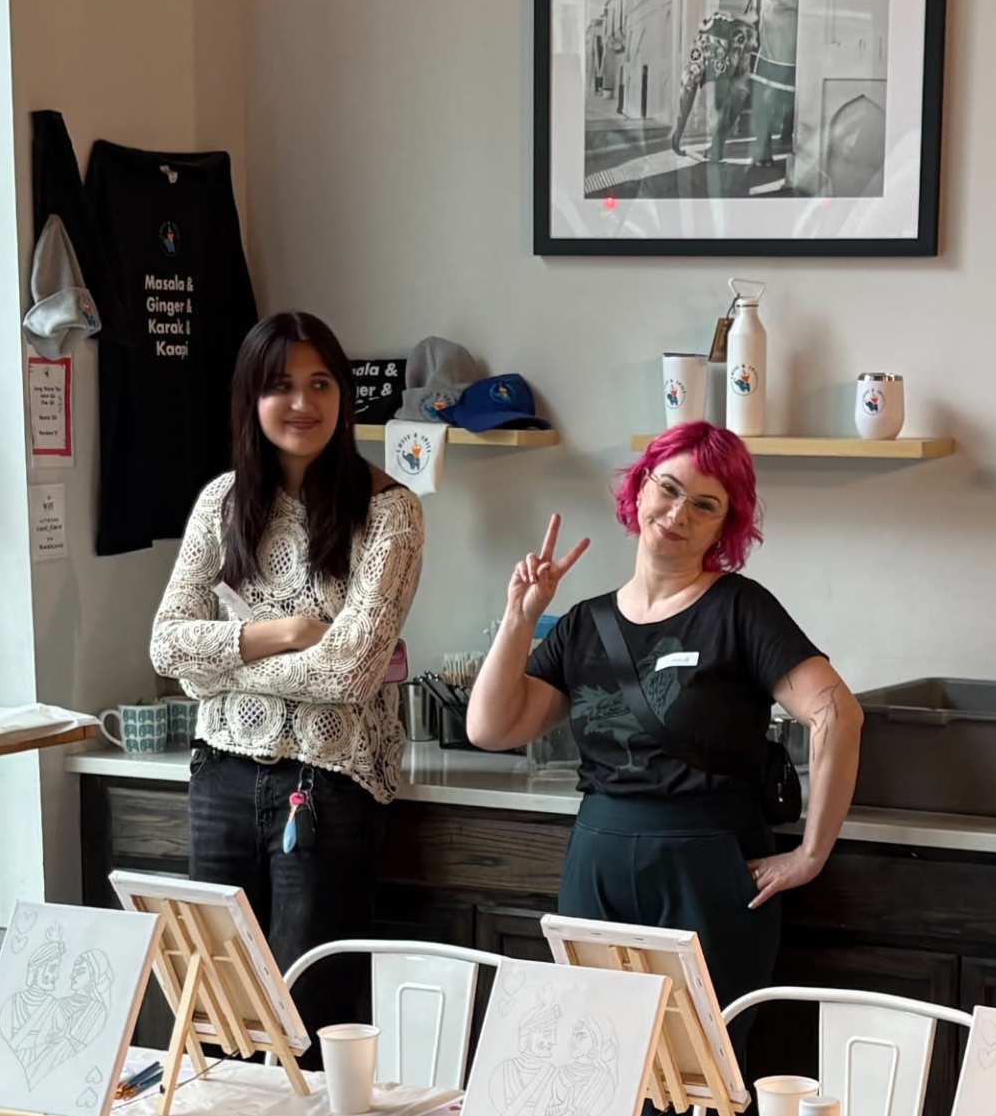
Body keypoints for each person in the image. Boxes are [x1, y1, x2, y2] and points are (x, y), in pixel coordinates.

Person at [465, 421, 860, 1004]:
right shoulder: (584, 623)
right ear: (639, 489)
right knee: (599, 1056)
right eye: (669, 490)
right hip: (596, 860)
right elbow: (491, 728)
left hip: (705, 868)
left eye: (704, 505)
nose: (678, 514)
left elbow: (838, 715)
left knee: (702, 1077)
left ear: (725, 525)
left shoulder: (738, 609)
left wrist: (811, 855)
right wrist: (519, 617)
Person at [149, 310, 425, 1032]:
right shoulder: (220, 502)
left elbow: (350, 676)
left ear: (343, 396)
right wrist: (290, 632)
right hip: (221, 774)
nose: (302, 403)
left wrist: (222, 665)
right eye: (280, 385)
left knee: (310, 1014)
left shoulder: (391, 513)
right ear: (251, 397)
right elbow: (166, 646)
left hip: (330, 785)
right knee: (217, 1007)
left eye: (320, 383)